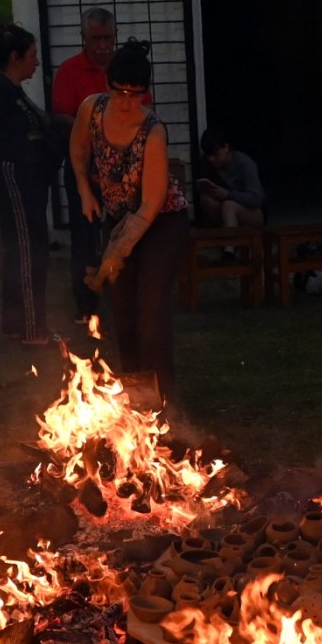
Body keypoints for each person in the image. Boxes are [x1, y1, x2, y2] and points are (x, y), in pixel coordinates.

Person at [72, 40, 191, 401]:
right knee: (121, 311)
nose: (125, 102)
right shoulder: (91, 109)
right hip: (120, 216)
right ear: (107, 85)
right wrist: (85, 190)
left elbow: (150, 205)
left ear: (145, 94)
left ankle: (162, 404)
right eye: (119, 91)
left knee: (150, 312)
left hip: (162, 223)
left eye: (134, 94)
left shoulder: (152, 133)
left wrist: (117, 251)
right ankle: (133, 398)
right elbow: (78, 151)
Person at [0, 23, 59, 345]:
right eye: (32, 55)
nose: (37, 62)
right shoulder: (0, 88)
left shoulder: (12, 90)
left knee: (27, 247)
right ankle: (34, 330)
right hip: (16, 178)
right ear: (15, 57)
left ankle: (18, 324)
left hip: (29, 178)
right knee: (28, 249)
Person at [53, 8, 147, 324]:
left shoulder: (126, 68)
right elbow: (62, 116)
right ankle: (86, 305)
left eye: (108, 38)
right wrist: (97, 131)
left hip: (123, 166)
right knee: (84, 234)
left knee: (127, 231)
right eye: (96, 39)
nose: (103, 46)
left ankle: (128, 297)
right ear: (84, 38)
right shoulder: (69, 71)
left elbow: (145, 110)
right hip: (84, 164)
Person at [196, 128, 266, 228]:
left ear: (226, 147)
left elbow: (256, 198)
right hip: (224, 206)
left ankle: (231, 242)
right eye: (208, 155)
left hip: (252, 210)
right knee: (206, 200)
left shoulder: (244, 163)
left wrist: (227, 194)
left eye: (215, 154)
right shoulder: (206, 164)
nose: (211, 159)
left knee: (229, 206)